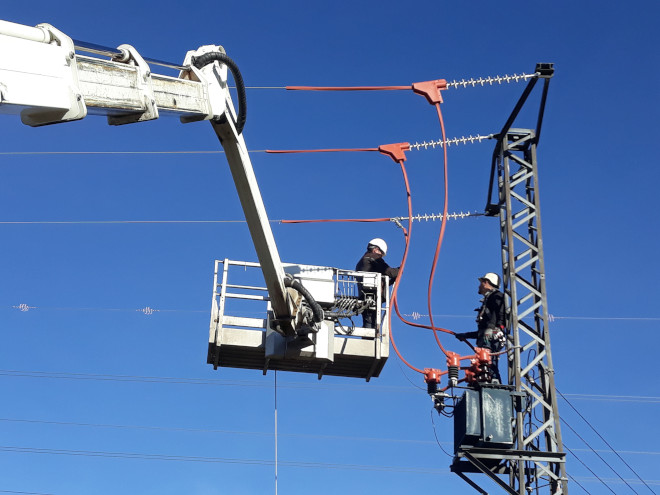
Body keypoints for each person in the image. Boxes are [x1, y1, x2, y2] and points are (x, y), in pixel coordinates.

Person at [455, 272, 507, 383]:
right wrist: (466, 335)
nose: (479, 286)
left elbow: (501, 314)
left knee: (488, 363)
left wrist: (499, 328)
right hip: (487, 336)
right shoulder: (489, 300)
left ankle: (494, 385)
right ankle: (489, 383)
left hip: (492, 336)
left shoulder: (497, 297)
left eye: (481, 283)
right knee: (484, 364)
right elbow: (482, 332)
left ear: (486, 283)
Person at [355, 238, 399, 329]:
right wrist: (400, 270)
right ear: (376, 249)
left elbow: (382, 280)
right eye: (381, 254)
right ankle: (368, 341)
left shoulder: (363, 261)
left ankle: (368, 339)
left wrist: (393, 280)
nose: (381, 257)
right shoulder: (373, 257)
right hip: (372, 297)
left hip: (366, 296)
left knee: (370, 323)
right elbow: (389, 272)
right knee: (371, 325)